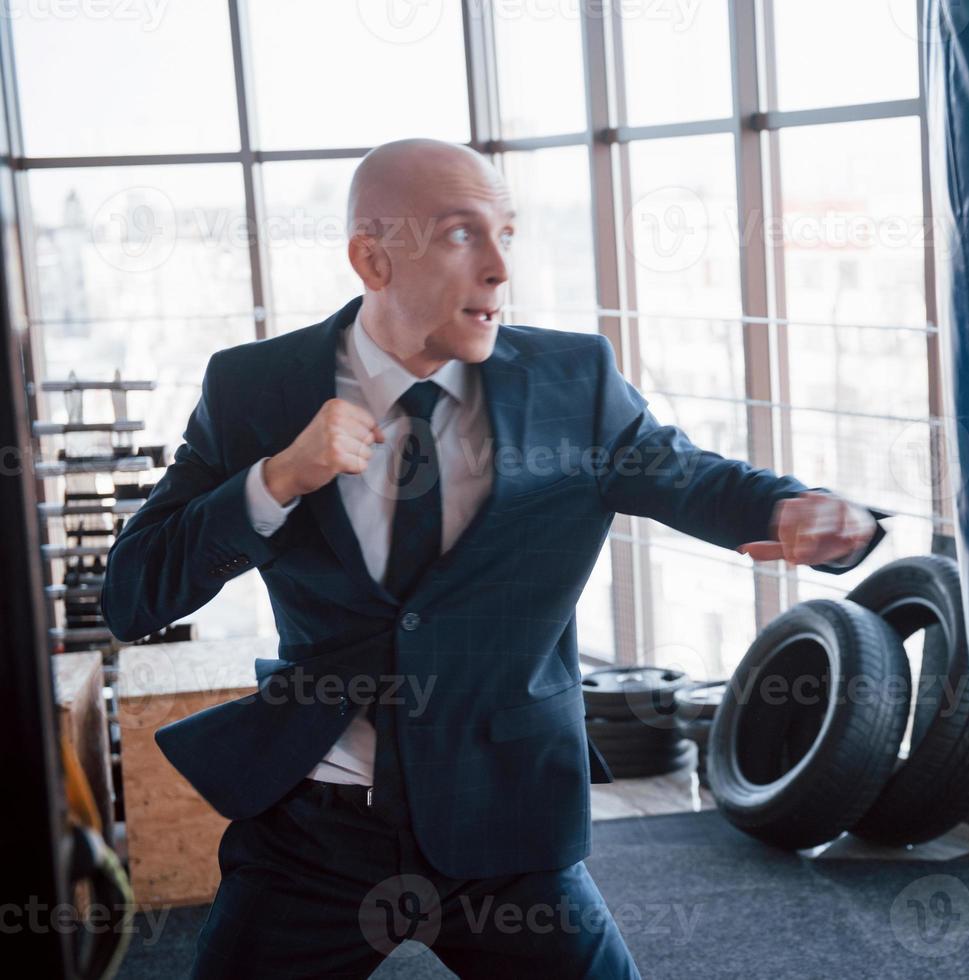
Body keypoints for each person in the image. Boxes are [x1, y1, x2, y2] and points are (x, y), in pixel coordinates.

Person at [101, 138, 888, 979]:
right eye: (459, 235)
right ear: (373, 257)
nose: (498, 269)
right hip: (317, 826)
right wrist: (277, 478)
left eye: (506, 234)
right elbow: (134, 595)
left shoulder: (570, 381)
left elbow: (689, 478)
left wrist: (791, 510)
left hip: (504, 818)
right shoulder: (254, 389)